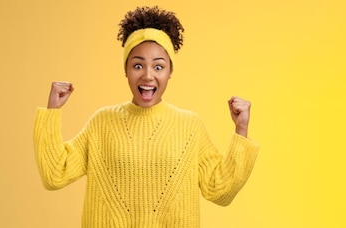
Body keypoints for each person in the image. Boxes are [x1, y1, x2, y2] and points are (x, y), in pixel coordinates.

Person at [34, 6, 259, 227]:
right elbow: (55, 174)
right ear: (126, 70)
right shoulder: (102, 122)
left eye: (158, 67)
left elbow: (219, 190)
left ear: (170, 71)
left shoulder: (190, 126)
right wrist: (52, 111)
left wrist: (241, 130)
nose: (148, 76)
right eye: (138, 65)